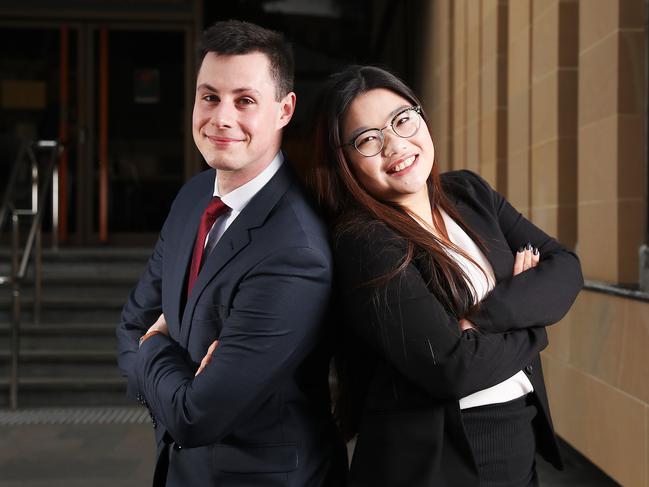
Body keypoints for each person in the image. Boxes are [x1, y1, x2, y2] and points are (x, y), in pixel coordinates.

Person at [308, 65, 583, 487]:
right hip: (438, 464)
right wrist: (533, 325)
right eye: (368, 139)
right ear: (344, 161)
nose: (395, 145)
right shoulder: (364, 240)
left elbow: (565, 267)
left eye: (402, 120)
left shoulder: (468, 193)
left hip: (518, 440)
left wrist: (482, 321)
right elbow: (452, 369)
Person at [116, 20, 345, 487]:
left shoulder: (295, 249)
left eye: (244, 100)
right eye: (209, 97)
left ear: (284, 110)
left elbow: (197, 415)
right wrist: (172, 365)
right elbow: (129, 327)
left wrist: (156, 347)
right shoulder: (193, 197)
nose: (221, 117)